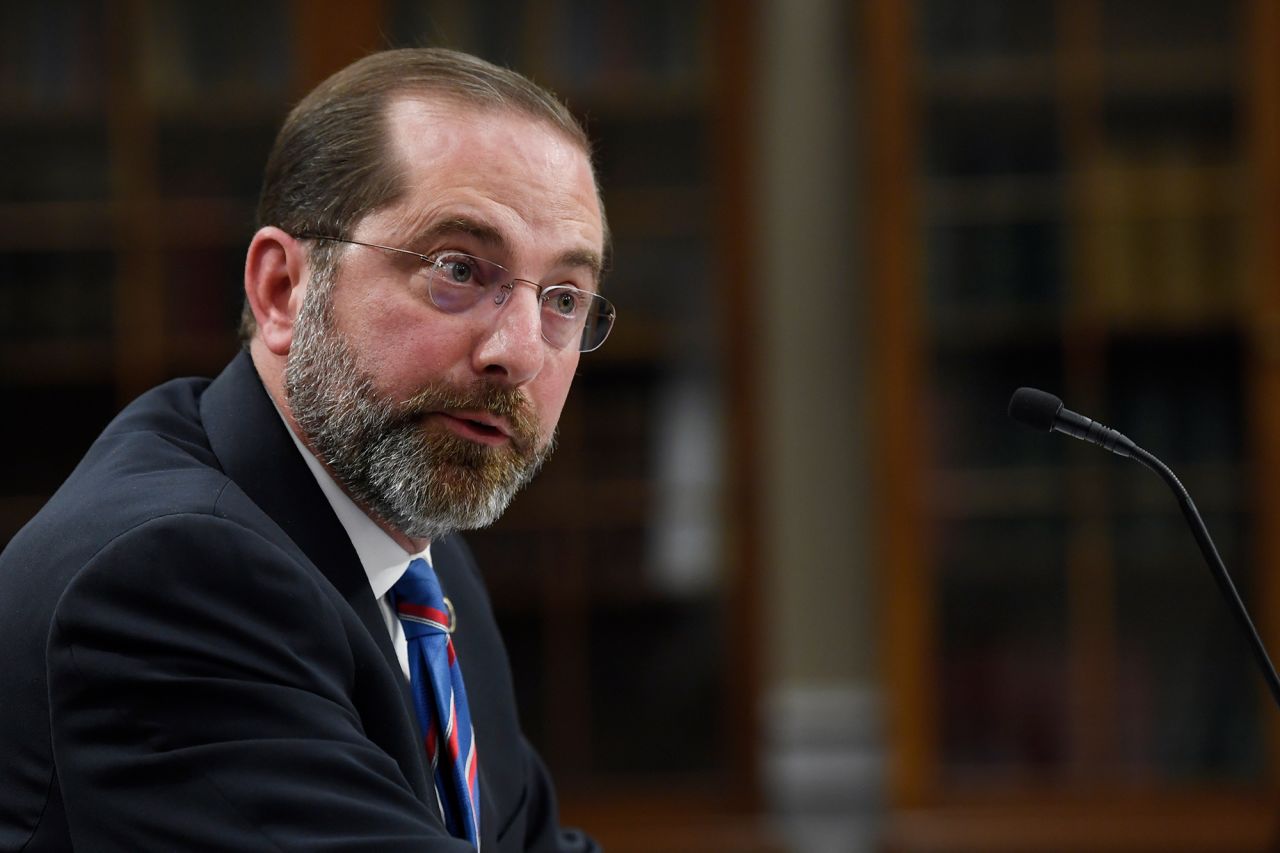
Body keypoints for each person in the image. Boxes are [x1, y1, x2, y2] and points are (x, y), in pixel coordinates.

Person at [0, 47, 615, 852]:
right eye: (458, 268)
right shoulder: (169, 578)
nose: (521, 352)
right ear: (283, 289)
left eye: (563, 298)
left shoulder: (423, 565)